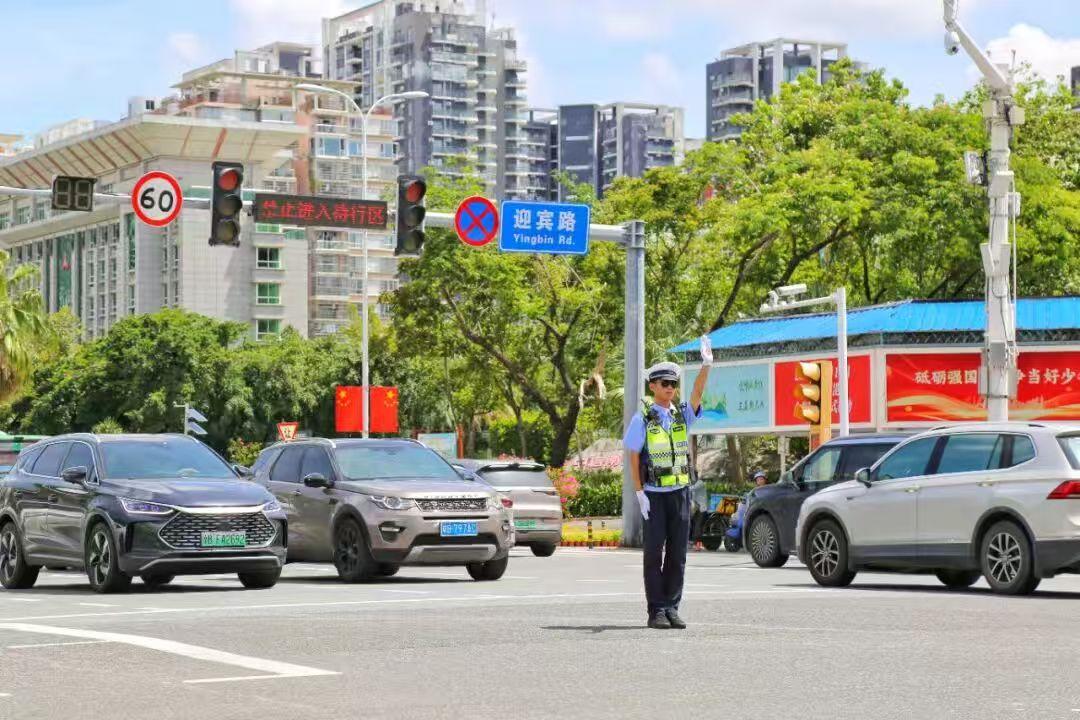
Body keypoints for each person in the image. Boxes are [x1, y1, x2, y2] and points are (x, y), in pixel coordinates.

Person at [623, 335, 712, 630]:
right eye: (664, 383)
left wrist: (706, 365)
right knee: (653, 555)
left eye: (673, 383)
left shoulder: (681, 415)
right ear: (653, 386)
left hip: (680, 493)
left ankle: (672, 607)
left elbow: (697, 393)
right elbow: (633, 456)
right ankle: (656, 610)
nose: (670, 388)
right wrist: (639, 493)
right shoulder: (642, 419)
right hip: (654, 495)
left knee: (678, 555)